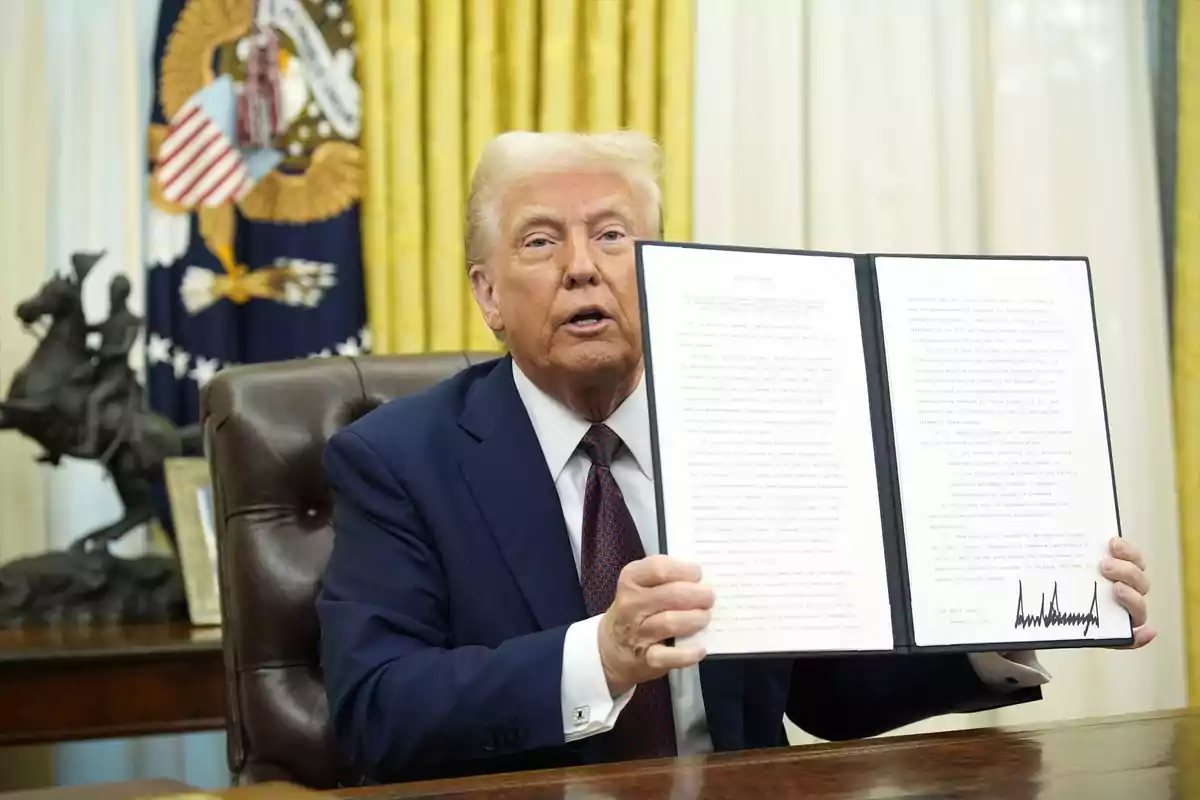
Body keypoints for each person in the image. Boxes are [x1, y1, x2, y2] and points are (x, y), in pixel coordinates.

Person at [316, 131, 1155, 785]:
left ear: (661, 270)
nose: (582, 268)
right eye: (539, 243)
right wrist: (597, 660)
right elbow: (377, 708)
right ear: (488, 293)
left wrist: (1015, 609)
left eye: (612, 235)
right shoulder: (395, 459)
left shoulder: (751, 427)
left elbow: (825, 692)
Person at [75, 275, 142, 460]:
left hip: (116, 376)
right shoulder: (109, 320)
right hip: (100, 370)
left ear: (121, 295)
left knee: (93, 400)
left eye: (113, 292)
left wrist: (101, 352)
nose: (110, 296)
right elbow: (86, 328)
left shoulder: (133, 320)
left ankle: (90, 443)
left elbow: (124, 349)